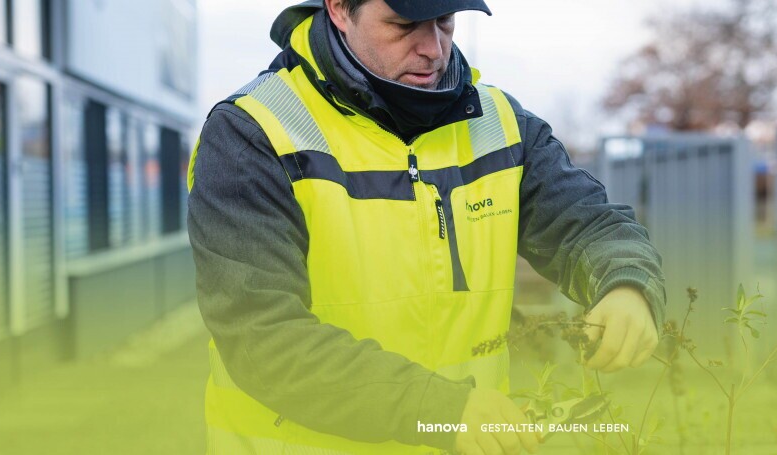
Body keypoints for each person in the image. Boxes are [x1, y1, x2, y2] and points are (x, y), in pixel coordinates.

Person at [187, 0, 665, 454]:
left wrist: (626, 282)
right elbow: (261, 337)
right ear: (338, 8)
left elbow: (588, 223)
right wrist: (441, 410)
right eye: (403, 24)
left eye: (445, 21)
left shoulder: (502, 124)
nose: (433, 48)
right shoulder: (253, 134)